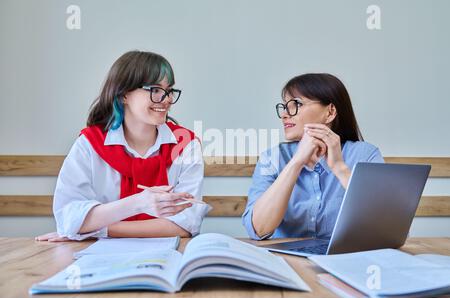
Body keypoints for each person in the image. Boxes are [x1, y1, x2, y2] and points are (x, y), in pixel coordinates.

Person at [36, 50, 209, 242]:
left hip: (167, 255)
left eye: (169, 91)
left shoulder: (186, 145)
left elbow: (185, 225)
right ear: (125, 94)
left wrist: (97, 230)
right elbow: (69, 219)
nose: (167, 99)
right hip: (99, 259)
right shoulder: (90, 144)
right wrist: (138, 203)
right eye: (155, 90)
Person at [242, 73, 384, 240]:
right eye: (285, 106)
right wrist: (296, 162)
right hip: (283, 261)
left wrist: (340, 168)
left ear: (330, 112)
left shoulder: (365, 154)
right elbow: (258, 229)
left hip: (344, 258)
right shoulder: (272, 157)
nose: (285, 114)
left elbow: (386, 225)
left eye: (296, 104)